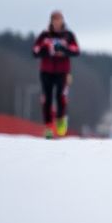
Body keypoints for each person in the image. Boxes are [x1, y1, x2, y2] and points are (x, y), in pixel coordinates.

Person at [31, 10, 80, 138]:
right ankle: (48, 127)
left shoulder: (68, 35)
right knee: (46, 98)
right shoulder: (45, 35)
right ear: (51, 21)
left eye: (60, 20)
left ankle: (61, 119)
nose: (58, 22)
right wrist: (45, 50)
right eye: (55, 20)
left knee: (60, 96)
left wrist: (64, 50)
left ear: (63, 21)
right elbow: (35, 50)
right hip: (46, 71)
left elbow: (76, 50)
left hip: (63, 72)